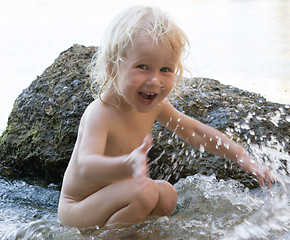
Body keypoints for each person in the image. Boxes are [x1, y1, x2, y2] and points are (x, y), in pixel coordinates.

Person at [57, 5, 274, 229]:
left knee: (167, 194)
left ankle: (140, 234)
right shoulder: (101, 112)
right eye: (142, 67)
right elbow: (86, 165)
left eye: (165, 69)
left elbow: (194, 131)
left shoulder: (156, 106)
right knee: (146, 191)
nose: (154, 81)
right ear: (113, 67)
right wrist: (125, 165)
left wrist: (242, 157)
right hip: (78, 209)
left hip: (117, 201)